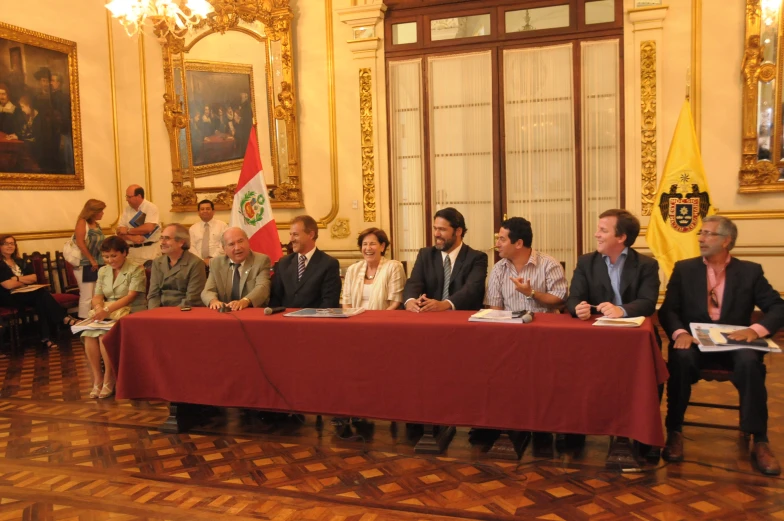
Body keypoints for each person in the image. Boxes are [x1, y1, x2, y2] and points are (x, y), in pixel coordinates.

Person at [660, 216, 784, 476]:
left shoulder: (750, 271)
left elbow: (777, 307)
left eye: (708, 234)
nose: (701, 239)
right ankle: (675, 431)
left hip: (734, 343)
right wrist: (680, 332)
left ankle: (759, 439)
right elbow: (669, 309)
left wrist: (755, 330)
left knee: (751, 363)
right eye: (700, 233)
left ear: (727, 241)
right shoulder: (685, 269)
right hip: (694, 342)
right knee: (680, 359)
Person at [565, 209, 660, 467]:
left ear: (622, 237)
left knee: (647, 368)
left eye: (603, 230)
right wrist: (578, 308)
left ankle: (644, 434)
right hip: (595, 339)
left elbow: (648, 302)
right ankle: (576, 429)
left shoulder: (647, 265)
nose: (596, 234)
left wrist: (623, 310)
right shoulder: (587, 262)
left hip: (631, 338)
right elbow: (573, 298)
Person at [483, 217, 568, 455]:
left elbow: (561, 299)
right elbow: (495, 308)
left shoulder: (548, 264)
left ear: (518, 243)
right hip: (510, 338)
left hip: (544, 338)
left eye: (501, 239)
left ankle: (544, 427)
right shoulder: (499, 268)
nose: (497, 244)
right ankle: (510, 427)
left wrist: (531, 293)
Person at [82, 236, 147, 399]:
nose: (109, 260)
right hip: (107, 311)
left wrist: (107, 309)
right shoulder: (103, 271)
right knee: (88, 335)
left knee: (105, 336)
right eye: (106, 256)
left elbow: (131, 296)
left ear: (124, 253)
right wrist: (98, 307)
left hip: (130, 309)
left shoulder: (136, 269)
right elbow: (97, 296)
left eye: (113, 256)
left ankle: (109, 378)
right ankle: (97, 378)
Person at [403, 207, 488, 312]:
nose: (436, 234)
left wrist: (445, 304)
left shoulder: (477, 258)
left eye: (442, 229)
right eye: (435, 228)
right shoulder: (425, 255)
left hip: (463, 319)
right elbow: (413, 283)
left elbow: (471, 290)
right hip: (430, 318)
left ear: (458, 231)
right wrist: (410, 301)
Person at [0, 234, 74, 348]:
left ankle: (46, 338)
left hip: (27, 294)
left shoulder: (20, 261)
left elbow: (34, 278)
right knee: (41, 294)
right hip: (8, 297)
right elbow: (8, 285)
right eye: (6, 244)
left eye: (12, 243)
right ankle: (62, 319)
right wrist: (25, 281)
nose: (10, 246)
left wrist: (18, 279)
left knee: (41, 299)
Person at [269, 215, 341, 309]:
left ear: (311, 235)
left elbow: (329, 303)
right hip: (286, 321)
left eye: (295, 234)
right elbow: (275, 299)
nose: (291, 239)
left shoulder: (329, 264)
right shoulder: (284, 263)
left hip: (314, 321)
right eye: (290, 234)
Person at [201, 227, 271, 310]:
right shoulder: (216, 263)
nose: (237, 248)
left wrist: (244, 301)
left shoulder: (261, 260)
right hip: (225, 314)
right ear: (224, 249)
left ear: (248, 241)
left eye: (240, 241)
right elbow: (208, 291)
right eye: (231, 244)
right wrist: (213, 301)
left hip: (250, 311)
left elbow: (263, 287)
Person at [342, 227, 406, 310]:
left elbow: (395, 303)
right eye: (365, 244)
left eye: (372, 244)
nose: (368, 248)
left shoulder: (394, 267)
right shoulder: (353, 269)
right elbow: (346, 302)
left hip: (384, 320)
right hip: (356, 320)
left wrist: (378, 320)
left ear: (382, 246)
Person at [148, 224, 206, 309]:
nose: (163, 242)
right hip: (159, 311)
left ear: (181, 242)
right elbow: (153, 294)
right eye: (161, 238)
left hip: (185, 312)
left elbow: (192, 298)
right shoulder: (157, 262)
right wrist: (154, 313)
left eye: (167, 238)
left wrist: (170, 315)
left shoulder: (196, 263)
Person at [73, 199, 107, 318]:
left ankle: (94, 318)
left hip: (97, 263)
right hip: (85, 264)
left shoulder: (96, 224)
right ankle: (83, 321)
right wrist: (91, 259)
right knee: (87, 295)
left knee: (96, 294)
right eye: (101, 211)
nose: (103, 213)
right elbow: (80, 242)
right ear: (94, 211)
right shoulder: (82, 222)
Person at [116, 185, 161, 267]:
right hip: (131, 252)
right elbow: (119, 231)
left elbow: (149, 227)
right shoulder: (127, 209)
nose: (126, 199)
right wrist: (132, 238)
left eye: (129, 197)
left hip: (149, 252)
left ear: (139, 196)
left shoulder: (151, 208)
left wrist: (128, 231)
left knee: (149, 278)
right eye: (126, 196)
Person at [189, 199, 228, 267]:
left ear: (213, 211)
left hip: (219, 262)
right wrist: (200, 260)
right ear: (198, 212)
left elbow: (224, 244)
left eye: (208, 209)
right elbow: (191, 247)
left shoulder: (222, 225)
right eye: (202, 209)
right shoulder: (193, 228)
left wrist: (212, 259)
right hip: (198, 264)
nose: (205, 211)